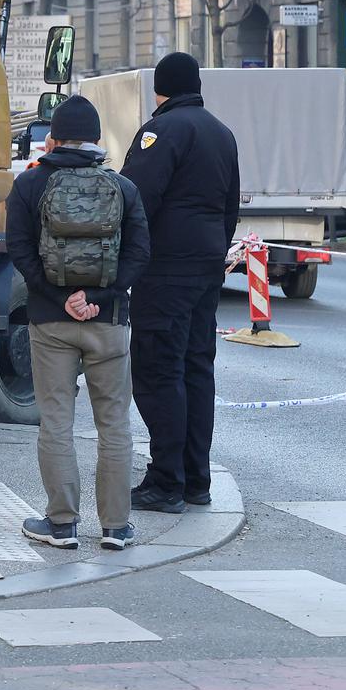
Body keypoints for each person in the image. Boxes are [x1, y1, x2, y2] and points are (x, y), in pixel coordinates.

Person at [5, 95, 150, 551]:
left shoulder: (30, 185)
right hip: (109, 321)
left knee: (56, 422)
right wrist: (98, 297)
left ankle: (62, 524)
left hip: (51, 322)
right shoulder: (122, 187)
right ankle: (116, 527)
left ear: (53, 138)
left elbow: (19, 250)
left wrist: (60, 298)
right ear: (96, 139)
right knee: (114, 425)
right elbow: (139, 254)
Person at [121, 52, 241, 514]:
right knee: (196, 369)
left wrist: (125, 261)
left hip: (166, 268)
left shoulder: (162, 131)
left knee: (158, 370)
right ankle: (195, 479)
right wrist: (213, 254)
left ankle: (165, 481)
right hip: (206, 266)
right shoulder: (222, 133)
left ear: (160, 89)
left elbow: (137, 199)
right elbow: (230, 206)